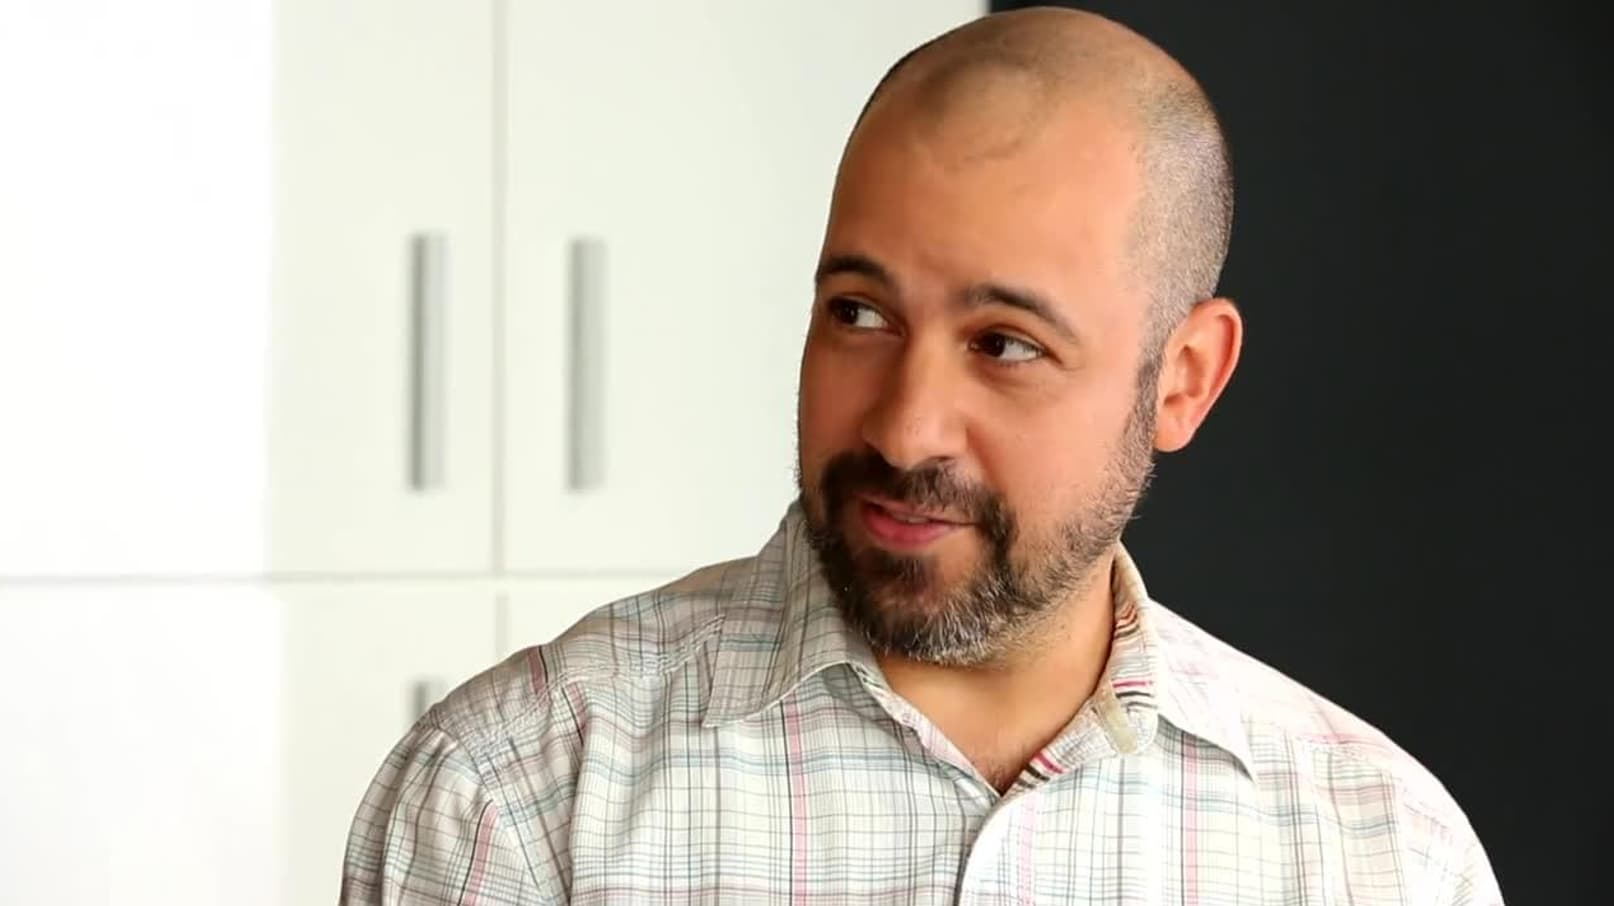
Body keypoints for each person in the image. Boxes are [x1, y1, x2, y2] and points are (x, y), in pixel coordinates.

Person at [340, 7, 1502, 904]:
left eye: (1005, 344)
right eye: (860, 314)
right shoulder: (517, 797)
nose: (903, 429)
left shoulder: (1381, 855)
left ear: (1184, 379)